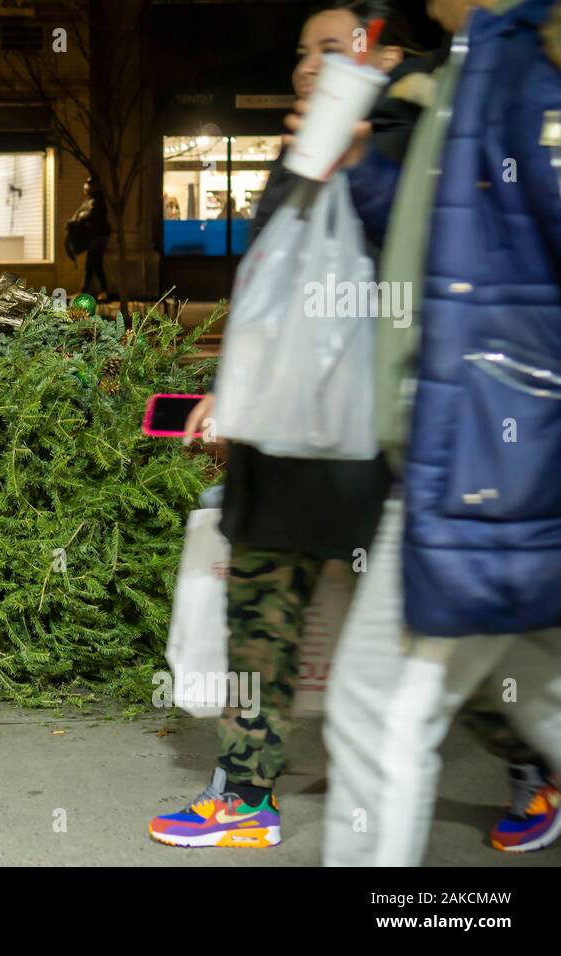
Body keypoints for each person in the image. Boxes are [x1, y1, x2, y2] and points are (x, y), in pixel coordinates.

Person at [147, 0, 413, 850]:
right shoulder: (304, 148)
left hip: (360, 442)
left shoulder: (410, 141)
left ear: (385, 54)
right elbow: (269, 295)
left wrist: (361, 166)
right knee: (260, 616)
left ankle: (530, 765)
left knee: (426, 639)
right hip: (287, 435)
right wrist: (233, 391)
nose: (306, 67)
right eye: (302, 52)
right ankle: (246, 790)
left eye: (330, 50)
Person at [318, 0, 561, 865]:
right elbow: (444, 255)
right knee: (538, 683)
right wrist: (361, 171)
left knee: (376, 707)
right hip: (479, 445)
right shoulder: (475, 63)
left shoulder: (525, 61)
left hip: (488, 454)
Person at [73, 178, 111, 301]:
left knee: (91, 263)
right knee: (95, 264)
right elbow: (80, 212)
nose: (86, 187)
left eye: (89, 184)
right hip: (94, 236)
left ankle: (86, 291)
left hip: (99, 236)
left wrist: (79, 218)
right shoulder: (90, 200)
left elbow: (89, 213)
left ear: (94, 187)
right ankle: (101, 291)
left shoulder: (98, 200)